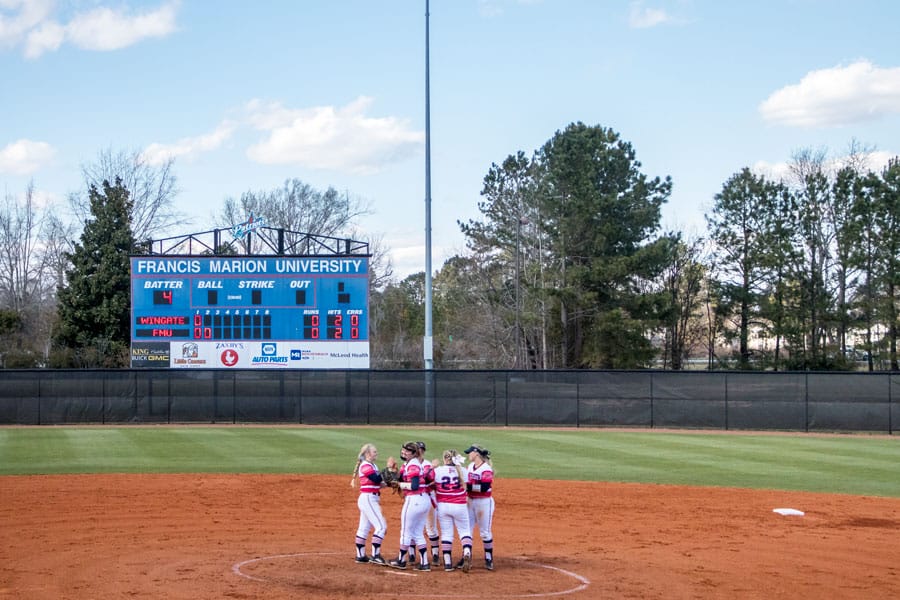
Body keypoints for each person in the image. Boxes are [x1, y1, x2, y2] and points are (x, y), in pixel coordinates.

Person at [388, 441, 433, 571]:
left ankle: (401, 560)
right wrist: (392, 469)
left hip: (414, 500)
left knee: (405, 531)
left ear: (413, 453)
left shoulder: (413, 465)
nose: (403, 452)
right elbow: (398, 478)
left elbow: (414, 486)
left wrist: (400, 485)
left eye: (407, 451)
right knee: (417, 532)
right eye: (403, 450)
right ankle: (424, 563)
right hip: (423, 501)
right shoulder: (408, 464)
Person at [350, 443, 391, 564]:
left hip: (369, 498)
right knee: (381, 527)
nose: (376, 454)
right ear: (368, 454)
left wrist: (389, 483)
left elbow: (377, 484)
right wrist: (387, 469)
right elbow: (376, 479)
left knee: (364, 528)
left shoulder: (373, 465)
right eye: (374, 452)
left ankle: (360, 556)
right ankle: (375, 555)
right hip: (368, 499)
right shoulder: (365, 465)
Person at [432, 449, 473, 572]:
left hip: (443, 506)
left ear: (445, 459)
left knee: (446, 534)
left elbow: (430, 484)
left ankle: (448, 563)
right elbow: (469, 486)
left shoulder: (437, 471)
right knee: (465, 532)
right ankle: (466, 551)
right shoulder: (463, 471)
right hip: (460, 506)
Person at [464, 443, 495, 570]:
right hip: (470, 502)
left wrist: (469, 487)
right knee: (467, 530)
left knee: (485, 532)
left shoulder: (486, 469)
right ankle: (466, 556)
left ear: (476, 453)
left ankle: (488, 559)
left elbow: (485, 487)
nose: (468, 455)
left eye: (470, 452)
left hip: (484, 503)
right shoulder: (470, 466)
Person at [417, 440, 441, 565]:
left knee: (431, 527)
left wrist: (431, 468)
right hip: (414, 499)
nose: (420, 451)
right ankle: (411, 556)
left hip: (428, 498)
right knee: (413, 527)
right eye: (418, 449)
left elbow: (431, 482)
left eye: (422, 450)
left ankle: (435, 555)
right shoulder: (409, 464)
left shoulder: (427, 465)